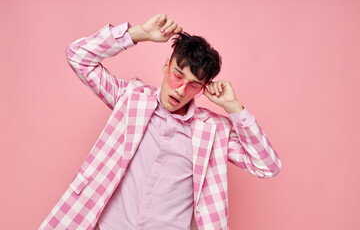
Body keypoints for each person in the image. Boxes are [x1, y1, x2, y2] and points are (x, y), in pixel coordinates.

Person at [39, 14, 281, 230]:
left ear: (203, 89)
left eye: (193, 85)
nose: (180, 89)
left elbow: (267, 166)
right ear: (166, 66)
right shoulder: (131, 97)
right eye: (177, 75)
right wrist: (138, 34)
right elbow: (78, 56)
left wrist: (233, 108)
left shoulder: (214, 130)